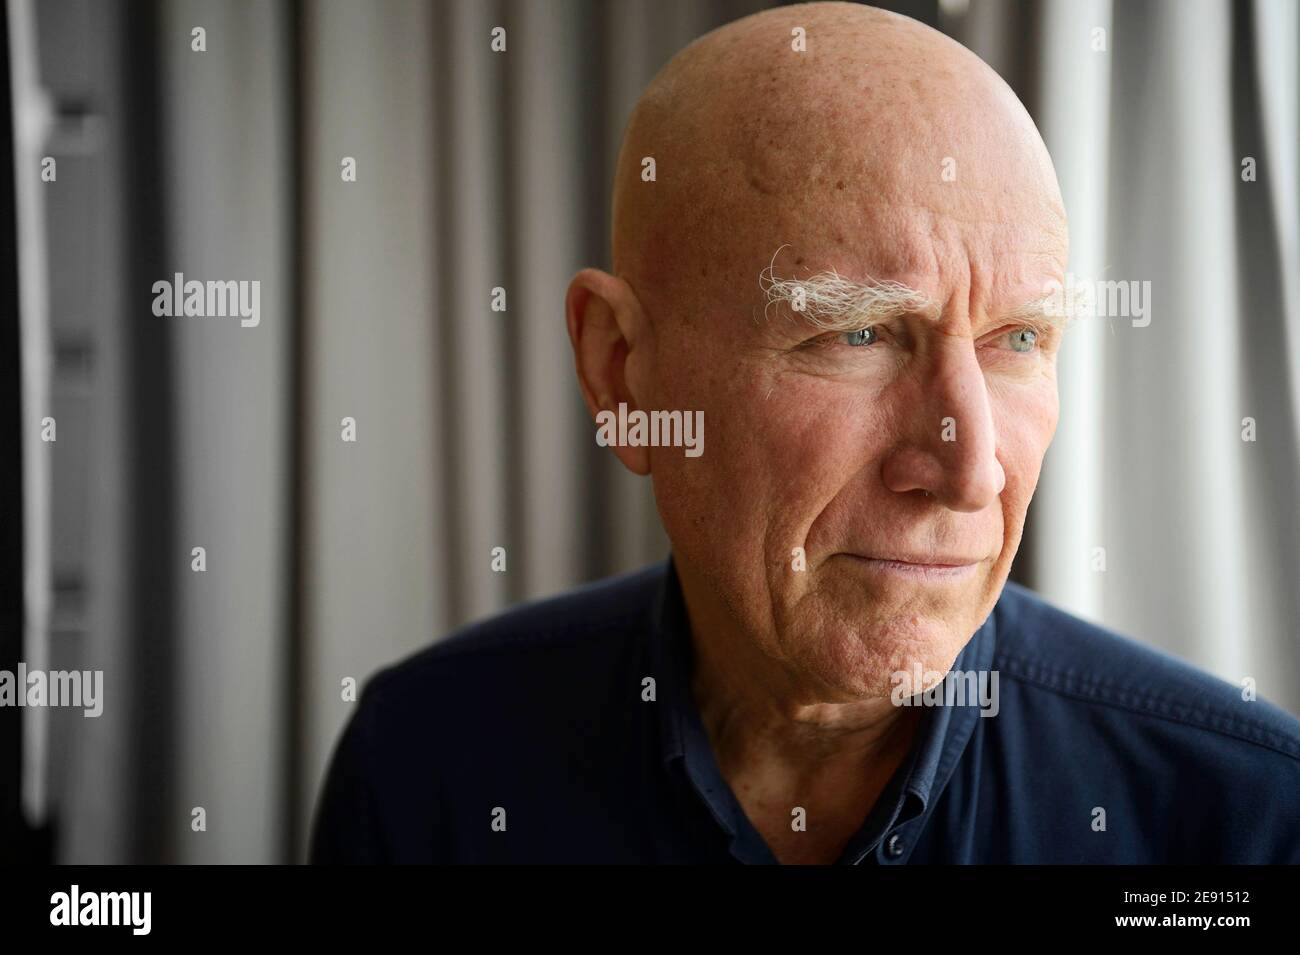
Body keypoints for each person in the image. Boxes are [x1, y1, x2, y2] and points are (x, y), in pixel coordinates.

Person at [310, 1, 1300, 864]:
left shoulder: (1243, 816)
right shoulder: (428, 764)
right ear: (620, 370)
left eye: (1018, 339)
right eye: (859, 332)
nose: (969, 470)